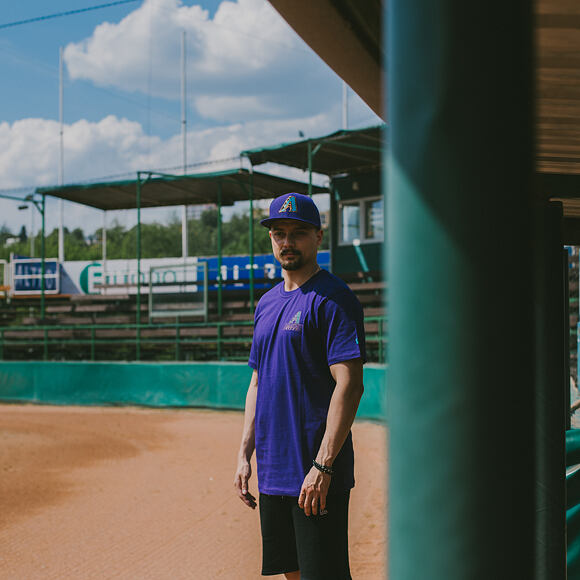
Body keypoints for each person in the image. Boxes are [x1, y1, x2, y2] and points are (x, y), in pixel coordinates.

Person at [233, 192, 366, 579]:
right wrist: (245, 453)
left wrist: (323, 465)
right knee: (292, 572)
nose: (287, 241)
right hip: (275, 470)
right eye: (279, 233)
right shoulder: (266, 303)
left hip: (315, 470)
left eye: (298, 232)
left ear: (319, 237)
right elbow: (257, 381)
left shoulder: (334, 298)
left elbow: (350, 385)